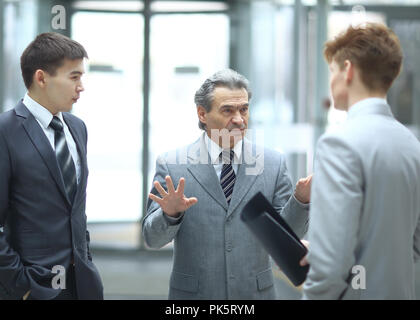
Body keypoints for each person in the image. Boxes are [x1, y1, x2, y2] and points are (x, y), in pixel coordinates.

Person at [143, 69, 312, 299]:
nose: (239, 119)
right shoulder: (173, 165)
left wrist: (300, 201)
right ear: (202, 114)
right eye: (228, 111)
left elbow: (287, 241)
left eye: (244, 109)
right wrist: (170, 215)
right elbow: (152, 240)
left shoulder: (272, 163)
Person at [302, 23, 420, 299]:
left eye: (332, 71)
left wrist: (323, 256)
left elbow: (330, 267)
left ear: (348, 70)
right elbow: (415, 244)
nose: (331, 81)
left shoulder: (339, 143)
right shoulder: (412, 145)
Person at [0, 32, 103, 300]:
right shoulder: (5, 131)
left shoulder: (77, 128)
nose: (81, 86)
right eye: (74, 77)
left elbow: (75, 210)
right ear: (41, 78)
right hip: (34, 286)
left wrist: (86, 259)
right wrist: (22, 286)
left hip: (83, 284)